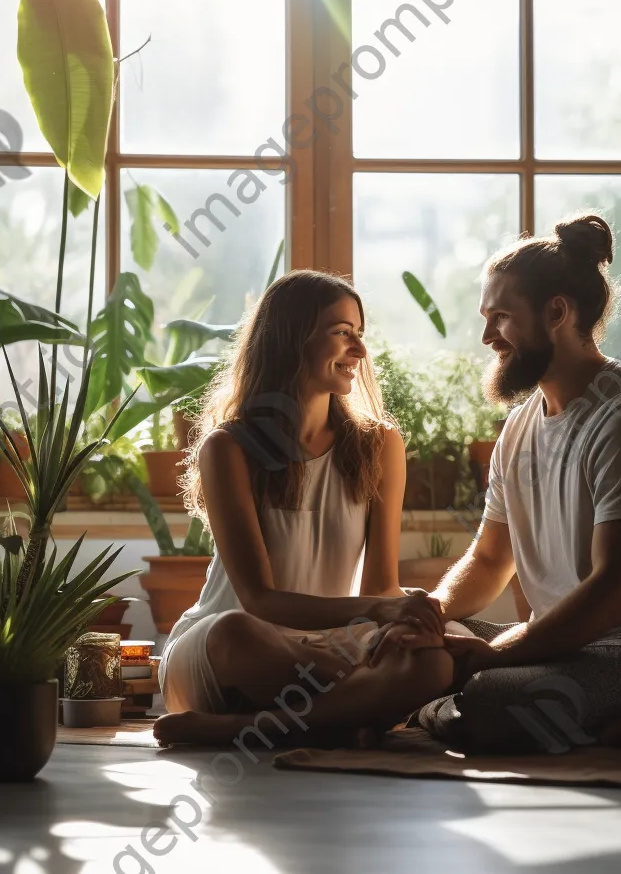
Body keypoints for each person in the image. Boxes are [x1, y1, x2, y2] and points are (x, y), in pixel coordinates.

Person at [372, 215, 621, 753]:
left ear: (557, 312)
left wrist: (500, 656)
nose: (487, 337)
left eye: (501, 317)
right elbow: (488, 560)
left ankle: (449, 710)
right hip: (557, 651)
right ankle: (602, 732)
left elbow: (616, 591)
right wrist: (432, 612)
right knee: (397, 646)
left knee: (490, 696)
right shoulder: (520, 425)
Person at [153, 271, 454, 747]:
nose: (359, 351)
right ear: (292, 340)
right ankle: (354, 711)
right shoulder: (229, 448)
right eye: (342, 334)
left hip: (329, 646)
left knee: (436, 657)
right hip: (228, 647)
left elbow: (381, 585)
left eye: (360, 335)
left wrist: (400, 620)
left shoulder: (380, 445)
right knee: (238, 631)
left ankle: (247, 729)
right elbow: (259, 600)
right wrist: (380, 611)